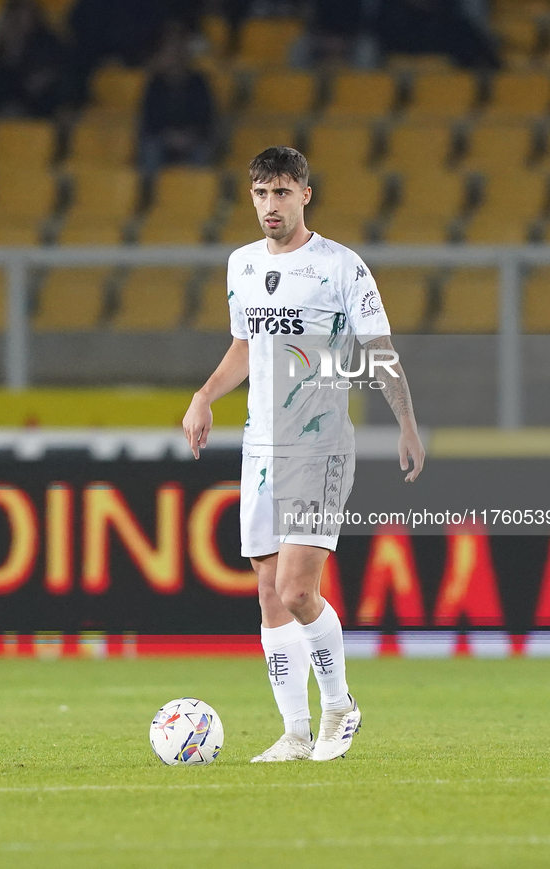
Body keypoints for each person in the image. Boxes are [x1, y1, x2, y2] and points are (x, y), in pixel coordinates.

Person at [183, 146, 425, 762]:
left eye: (283, 192)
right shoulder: (240, 265)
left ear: (305, 195)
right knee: (267, 592)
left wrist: (407, 424)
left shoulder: (342, 267)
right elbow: (245, 345)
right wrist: (205, 394)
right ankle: (294, 731)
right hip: (259, 442)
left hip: (318, 443)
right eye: (261, 193)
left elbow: (380, 347)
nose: (271, 205)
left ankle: (340, 705)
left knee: (295, 590)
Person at [138, 27, 215, 174]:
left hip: (193, 138)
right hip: (163, 138)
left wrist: (188, 135)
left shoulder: (198, 82)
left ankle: (195, 192)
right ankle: (150, 193)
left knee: (202, 152)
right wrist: (169, 135)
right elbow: (150, 118)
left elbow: (205, 117)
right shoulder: (155, 84)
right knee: (150, 148)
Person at [0, 0, 68, 118]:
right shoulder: (6, 43)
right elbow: (0, 80)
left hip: (43, 107)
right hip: (8, 105)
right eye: (15, 14)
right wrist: (11, 49)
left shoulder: (49, 43)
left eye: (26, 13)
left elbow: (47, 79)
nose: (20, 19)